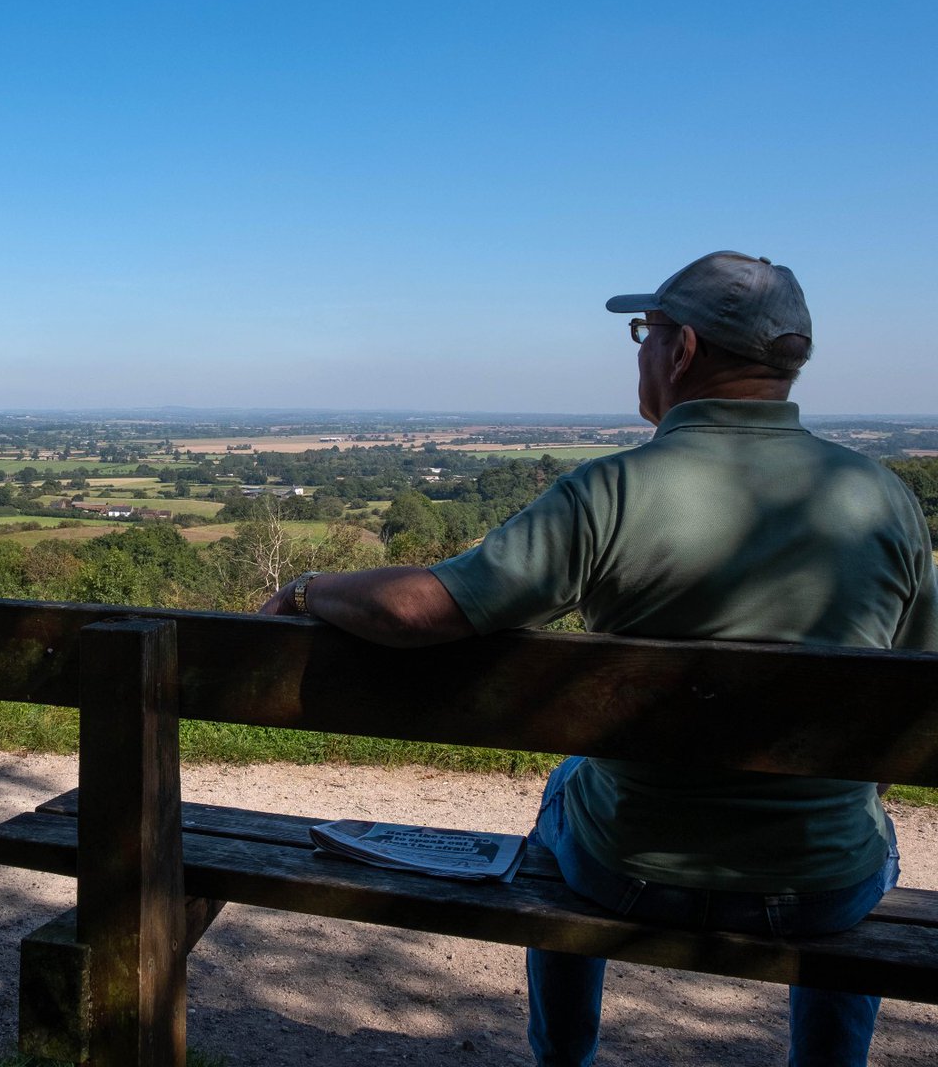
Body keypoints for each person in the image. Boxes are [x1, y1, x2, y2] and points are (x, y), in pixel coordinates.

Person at [260, 251, 938, 1067]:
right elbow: (911, 692)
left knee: (565, 786)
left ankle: (564, 1058)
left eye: (644, 333)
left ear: (681, 349)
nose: (643, 350)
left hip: (629, 870)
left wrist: (308, 587)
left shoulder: (609, 494)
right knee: (861, 822)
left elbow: (423, 611)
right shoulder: (885, 498)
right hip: (821, 891)